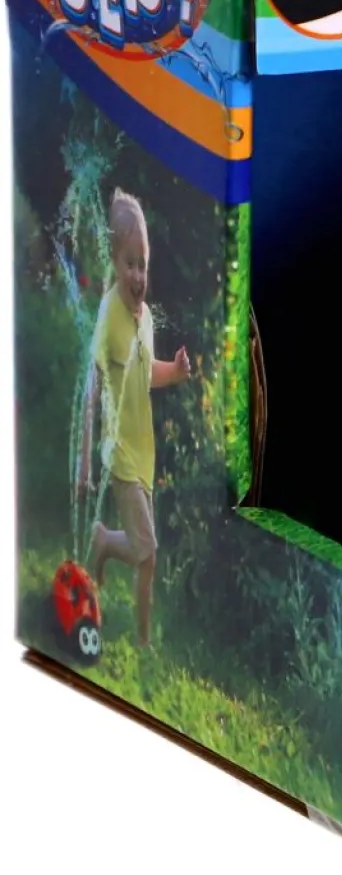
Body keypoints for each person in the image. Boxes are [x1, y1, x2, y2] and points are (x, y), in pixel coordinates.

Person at [80, 189, 192, 649]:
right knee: (149, 555)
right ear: (114, 260)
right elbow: (90, 386)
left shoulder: (144, 317)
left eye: (143, 265)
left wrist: (176, 372)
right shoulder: (110, 313)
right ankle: (143, 645)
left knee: (141, 547)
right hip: (121, 454)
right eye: (130, 263)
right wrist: (85, 461)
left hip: (144, 454)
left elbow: (146, 376)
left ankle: (104, 541)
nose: (138, 275)